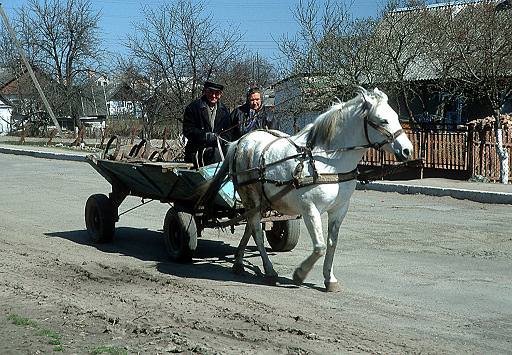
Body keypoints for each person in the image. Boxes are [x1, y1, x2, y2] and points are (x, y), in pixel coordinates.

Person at [182, 80, 233, 167]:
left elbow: (228, 132)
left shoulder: (224, 110)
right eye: (211, 92)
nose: (213, 96)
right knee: (215, 155)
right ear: (205, 91)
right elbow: (188, 130)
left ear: (221, 94)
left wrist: (220, 139)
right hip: (196, 150)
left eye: (217, 93)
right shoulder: (193, 108)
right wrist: (205, 136)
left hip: (217, 150)